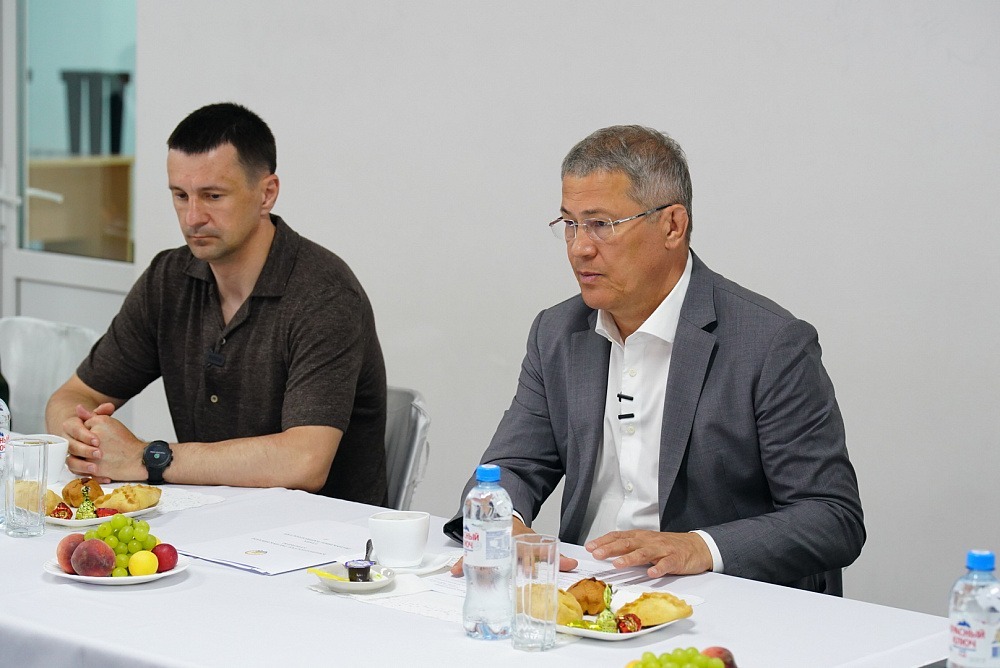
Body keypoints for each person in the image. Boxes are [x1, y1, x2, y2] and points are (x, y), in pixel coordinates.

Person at [447, 125, 864, 594]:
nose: (580, 247)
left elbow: (832, 517)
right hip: (586, 593)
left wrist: (699, 547)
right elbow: (509, 468)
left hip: (718, 599)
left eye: (601, 224)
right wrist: (501, 523)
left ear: (672, 226)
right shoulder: (558, 333)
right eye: (569, 224)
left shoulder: (769, 344)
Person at [45, 102, 388, 505]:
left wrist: (145, 457)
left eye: (213, 196)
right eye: (180, 195)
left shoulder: (324, 295)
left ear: (267, 194)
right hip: (210, 519)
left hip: (323, 535)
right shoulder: (168, 278)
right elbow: (72, 395)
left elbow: (304, 462)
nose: (192, 217)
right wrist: (81, 437)